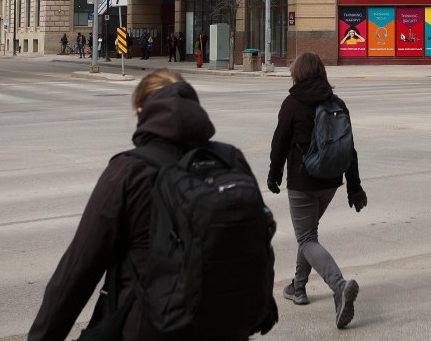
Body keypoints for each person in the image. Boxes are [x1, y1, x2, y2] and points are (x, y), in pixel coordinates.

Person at [28, 68, 276, 340]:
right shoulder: (230, 159)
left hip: (149, 327)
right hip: (223, 328)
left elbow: (77, 271)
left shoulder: (129, 171)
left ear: (141, 110)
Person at [267, 52, 366, 330]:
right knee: (309, 234)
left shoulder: (292, 103)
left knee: (306, 236)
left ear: (298, 74)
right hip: (331, 181)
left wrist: (274, 177)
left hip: (303, 181)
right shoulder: (337, 103)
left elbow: (279, 145)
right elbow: (350, 149)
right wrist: (354, 188)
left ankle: (339, 285)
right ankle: (298, 288)